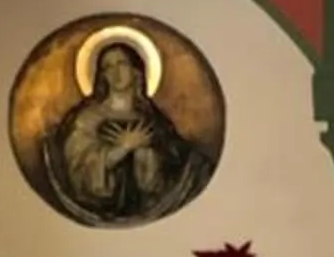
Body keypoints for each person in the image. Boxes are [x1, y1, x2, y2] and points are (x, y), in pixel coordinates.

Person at [45, 36, 212, 225]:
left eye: (122, 63)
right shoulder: (88, 118)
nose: (116, 72)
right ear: (103, 76)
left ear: (136, 71)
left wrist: (147, 154)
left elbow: (175, 164)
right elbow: (78, 169)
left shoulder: (154, 121)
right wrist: (121, 149)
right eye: (108, 67)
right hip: (101, 206)